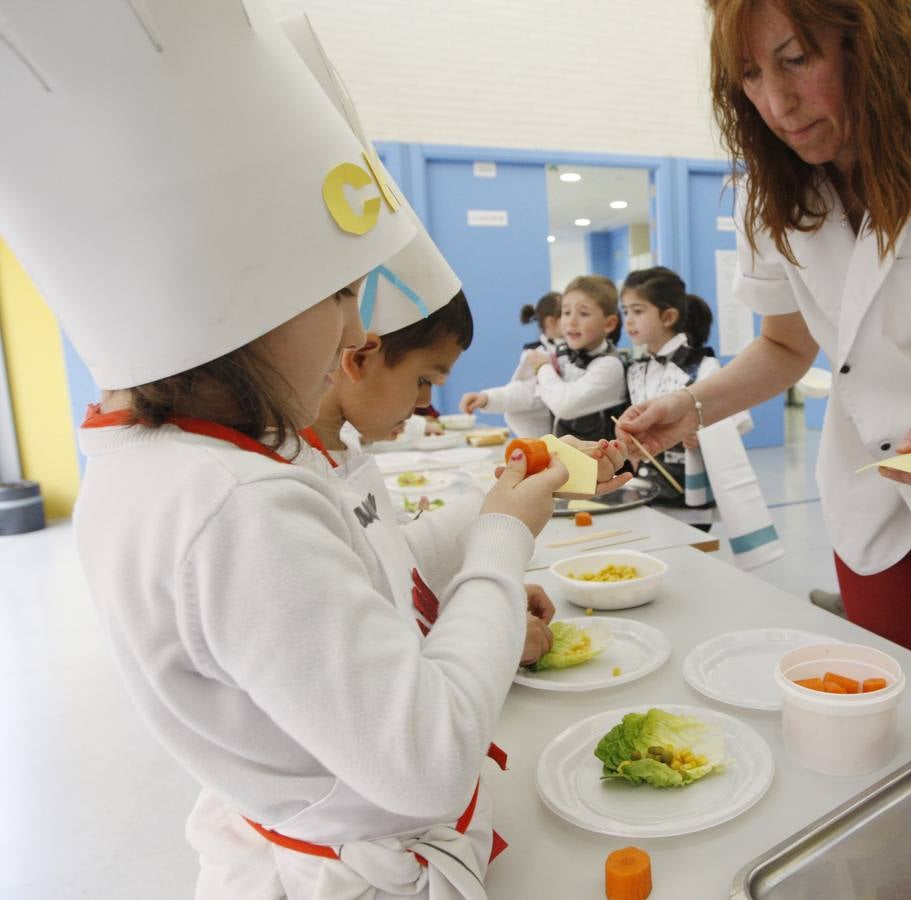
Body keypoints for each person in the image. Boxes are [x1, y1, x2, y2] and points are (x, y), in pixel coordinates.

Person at [0, 5, 576, 897]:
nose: (355, 327)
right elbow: (424, 756)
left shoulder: (182, 463)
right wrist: (501, 543)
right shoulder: (235, 504)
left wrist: (488, 515)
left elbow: (366, 567)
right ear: (236, 298)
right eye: (340, 292)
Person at [621, 0, 911, 713]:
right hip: (866, 459)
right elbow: (785, 346)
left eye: (796, 59)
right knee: (871, 694)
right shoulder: (775, 180)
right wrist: (690, 406)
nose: (777, 103)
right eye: (751, 74)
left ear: (869, 40)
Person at [622, 267, 744, 522]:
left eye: (638, 311)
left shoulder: (703, 365)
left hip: (688, 492)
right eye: (625, 311)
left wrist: (701, 433)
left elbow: (737, 416)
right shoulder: (635, 369)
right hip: (647, 491)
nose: (628, 320)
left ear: (668, 317)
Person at [531, 274, 629, 441]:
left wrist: (542, 367)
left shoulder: (610, 365)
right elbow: (534, 392)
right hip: (566, 459)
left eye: (583, 313)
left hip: (601, 464)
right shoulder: (563, 353)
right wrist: (488, 399)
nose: (571, 321)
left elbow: (564, 406)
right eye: (566, 312)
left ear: (609, 324)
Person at [458, 291, 562, 437]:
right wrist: (487, 398)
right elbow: (527, 392)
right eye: (568, 313)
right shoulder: (537, 355)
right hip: (550, 438)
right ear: (551, 321)